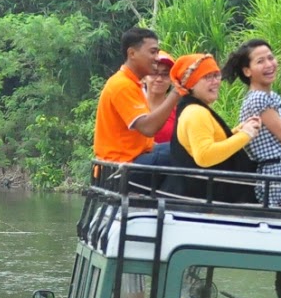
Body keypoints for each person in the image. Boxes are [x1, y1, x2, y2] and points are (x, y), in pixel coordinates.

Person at [224, 39, 281, 206]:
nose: (269, 64)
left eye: (270, 58)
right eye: (260, 61)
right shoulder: (258, 99)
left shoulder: (270, 96)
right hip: (280, 178)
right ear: (247, 71)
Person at [167, 52, 263, 202]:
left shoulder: (193, 108)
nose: (215, 82)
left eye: (216, 75)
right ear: (191, 84)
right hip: (213, 199)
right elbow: (204, 156)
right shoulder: (195, 112)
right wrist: (245, 135)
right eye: (207, 77)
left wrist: (238, 131)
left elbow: (210, 143)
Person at [93, 28, 178, 169]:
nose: (157, 58)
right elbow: (148, 128)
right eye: (152, 52)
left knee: (185, 146)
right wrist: (177, 93)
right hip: (120, 167)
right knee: (183, 151)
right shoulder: (122, 85)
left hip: (135, 158)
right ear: (132, 53)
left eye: (157, 52)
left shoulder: (134, 84)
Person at [147, 51, 178, 144]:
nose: (159, 79)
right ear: (143, 77)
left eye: (165, 74)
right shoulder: (132, 107)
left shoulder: (179, 113)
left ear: (172, 80)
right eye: (154, 73)